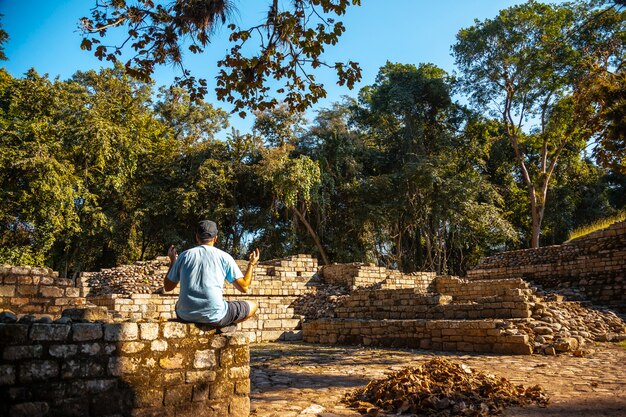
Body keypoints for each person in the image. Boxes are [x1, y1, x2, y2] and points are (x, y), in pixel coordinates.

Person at [163, 220, 259, 329]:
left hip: (185, 315)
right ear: (216, 238)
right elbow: (244, 287)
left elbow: (168, 287)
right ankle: (225, 326)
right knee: (253, 305)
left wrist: (173, 262)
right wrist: (251, 264)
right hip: (216, 316)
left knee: (179, 305)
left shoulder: (184, 256)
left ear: (197, 237)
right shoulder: (224, 257)